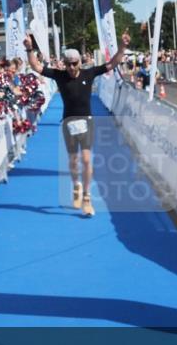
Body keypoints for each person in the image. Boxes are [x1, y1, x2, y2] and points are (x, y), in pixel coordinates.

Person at [25, 31, 129, 217]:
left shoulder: (89, 73)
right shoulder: (59, 75)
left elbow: (112, 63)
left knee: (87, 159)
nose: (72, 67)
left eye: (75, 64)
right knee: (73, 160)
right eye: (68, 64)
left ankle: (87, 197)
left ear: (80, 62)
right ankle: (76, 187)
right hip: (68, 121)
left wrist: (122, 47)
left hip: (87, 121)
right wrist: (29, 48)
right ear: (64, 64)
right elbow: (35, 66)